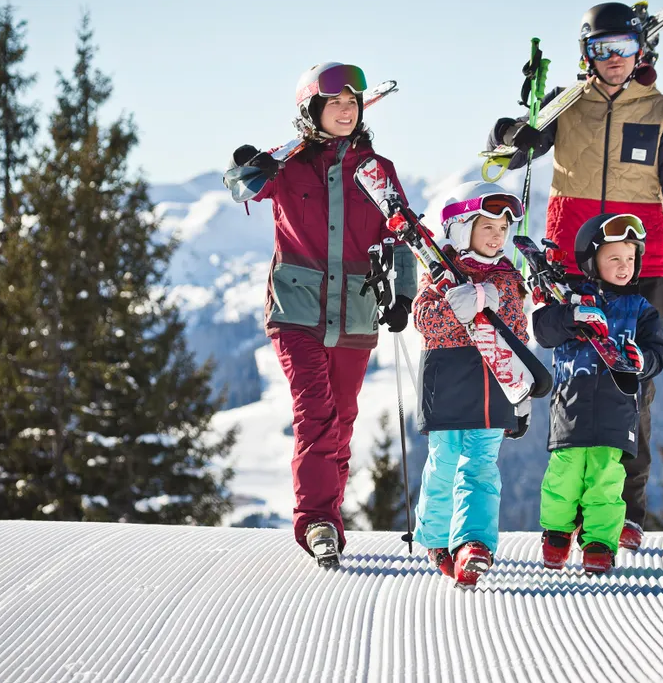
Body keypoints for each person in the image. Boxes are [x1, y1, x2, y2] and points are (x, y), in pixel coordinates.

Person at [485, 2, 663, 550]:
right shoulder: (568, 104)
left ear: (642, 52)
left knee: (633, 384)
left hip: (638, 263)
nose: (612, 60)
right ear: (586, 54)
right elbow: (512, 154)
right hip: (568, 262)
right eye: (600, 49)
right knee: (573, 381)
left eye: (624, 49)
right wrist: (513, 127)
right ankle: (571, 509)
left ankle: (624, 512)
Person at [222, 63, 417, 567]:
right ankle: (317, 523)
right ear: (312, 110)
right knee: (316, 412)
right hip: (297, 308)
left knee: (343, 420)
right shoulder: (287, 166)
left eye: (353, 103)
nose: (346, 111)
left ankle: (328, 514)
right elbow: (242, 186)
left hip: (356, 310)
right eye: (335, 104)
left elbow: (400, 235)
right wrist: (247, 163)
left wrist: (403, 295)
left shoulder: (378, 170)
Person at [531, 213, 663, 574]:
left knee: (606, 478)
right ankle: (558, 533)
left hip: (617, 408)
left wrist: (643, 360)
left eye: (630, 259)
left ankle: (599, 542)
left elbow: (659, 351)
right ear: (593, 261)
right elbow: (543, 330)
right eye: (614, 259)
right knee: (564, 474)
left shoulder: (640, 309)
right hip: (570, 407)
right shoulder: (571, 299)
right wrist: (572, 316)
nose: (625, 267)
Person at [410, 182, 530, 587]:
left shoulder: (508, 277)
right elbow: (426, 323)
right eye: (487, 227)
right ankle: (437, 538)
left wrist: (523, 394)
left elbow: (518, 331)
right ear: (462, 228)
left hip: (495, 389)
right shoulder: (438, 272)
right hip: (447, 384)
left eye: (502, 229)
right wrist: (457, 305)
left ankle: (474, 543)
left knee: (480, 467)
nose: (497, 236)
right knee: (444, 463)